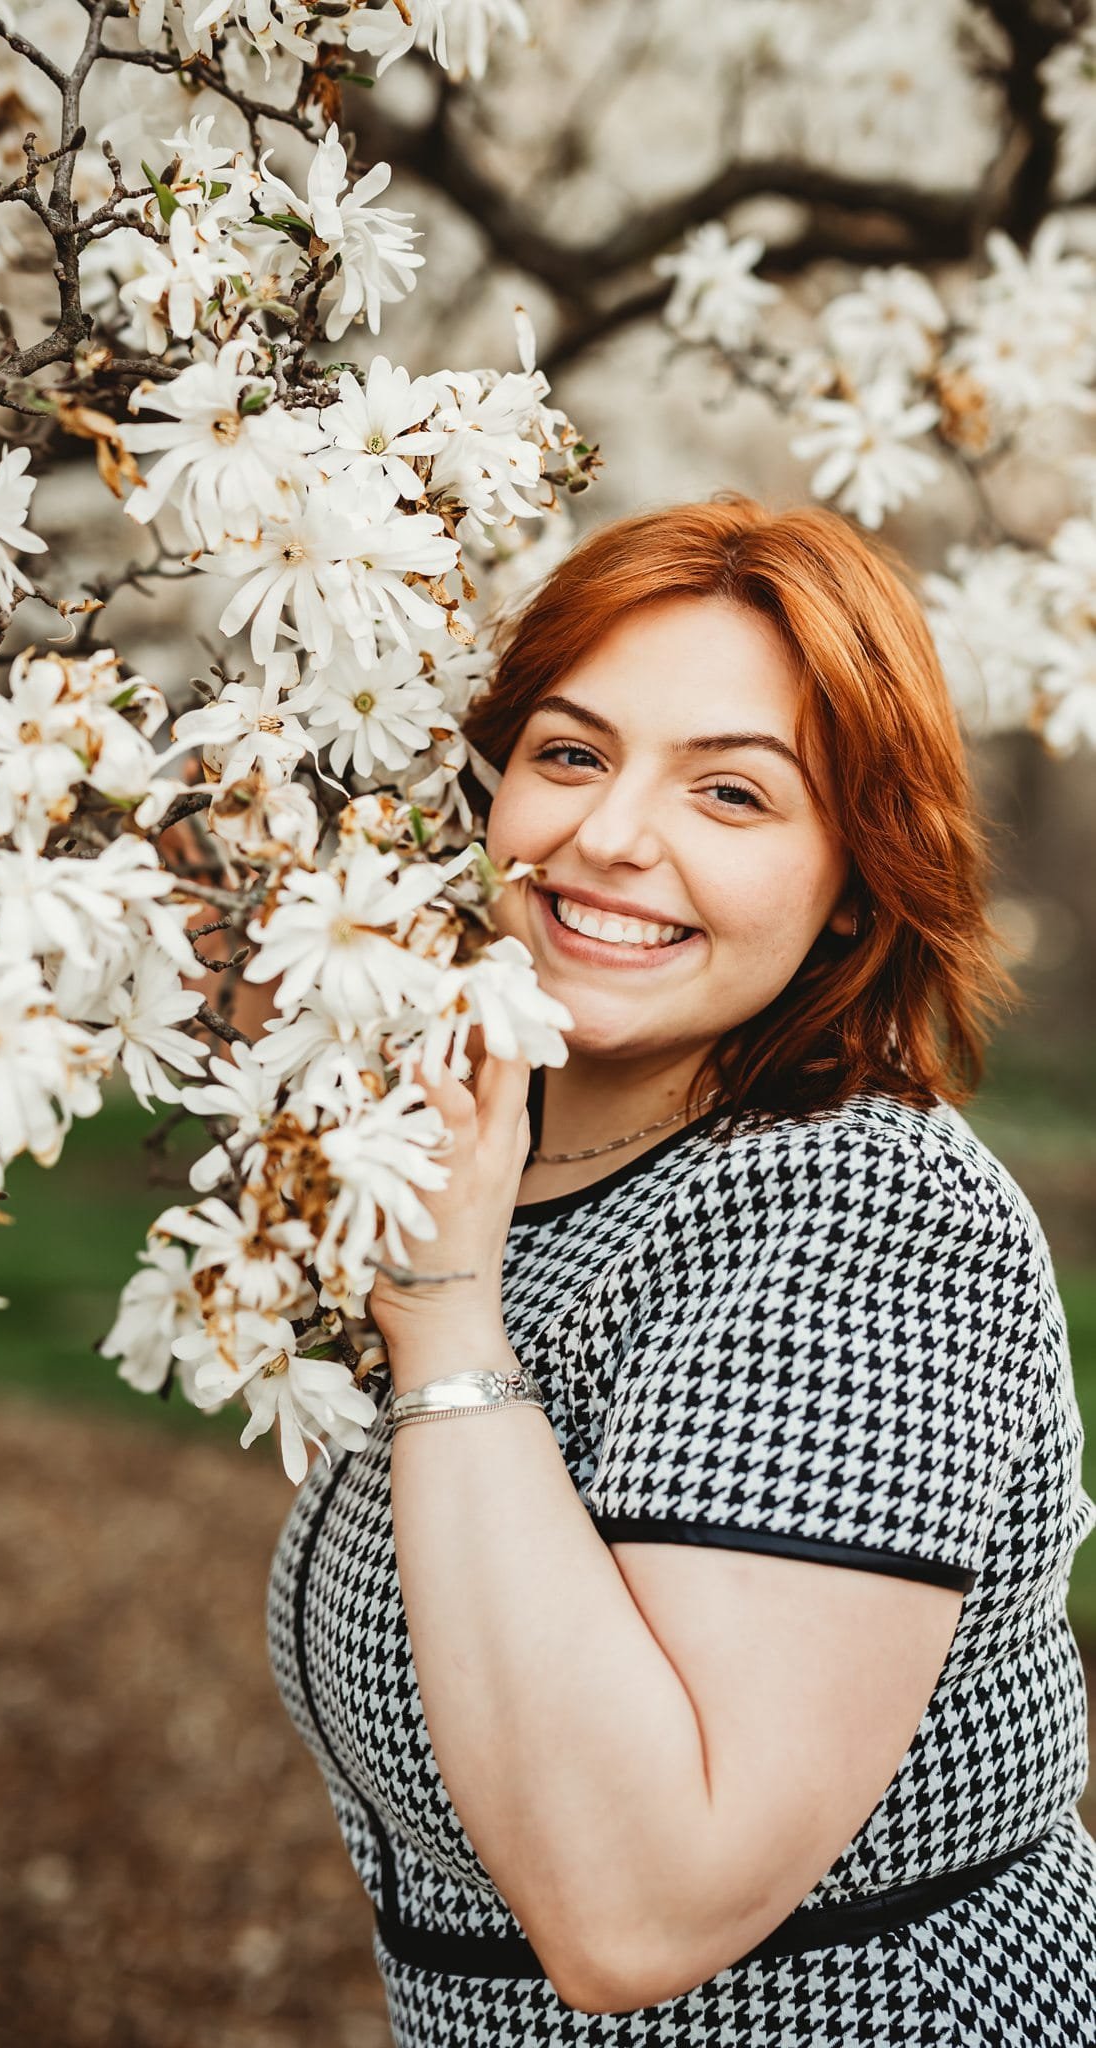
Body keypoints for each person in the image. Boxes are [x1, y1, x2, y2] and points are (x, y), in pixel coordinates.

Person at [263, 496, 1096, 2045]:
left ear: (854, 874)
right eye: (570, 754)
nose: (607, 836)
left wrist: (441, 1314)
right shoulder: (498, 1157)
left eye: (730, 793)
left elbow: (640, 1902)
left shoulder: (866, 1218)